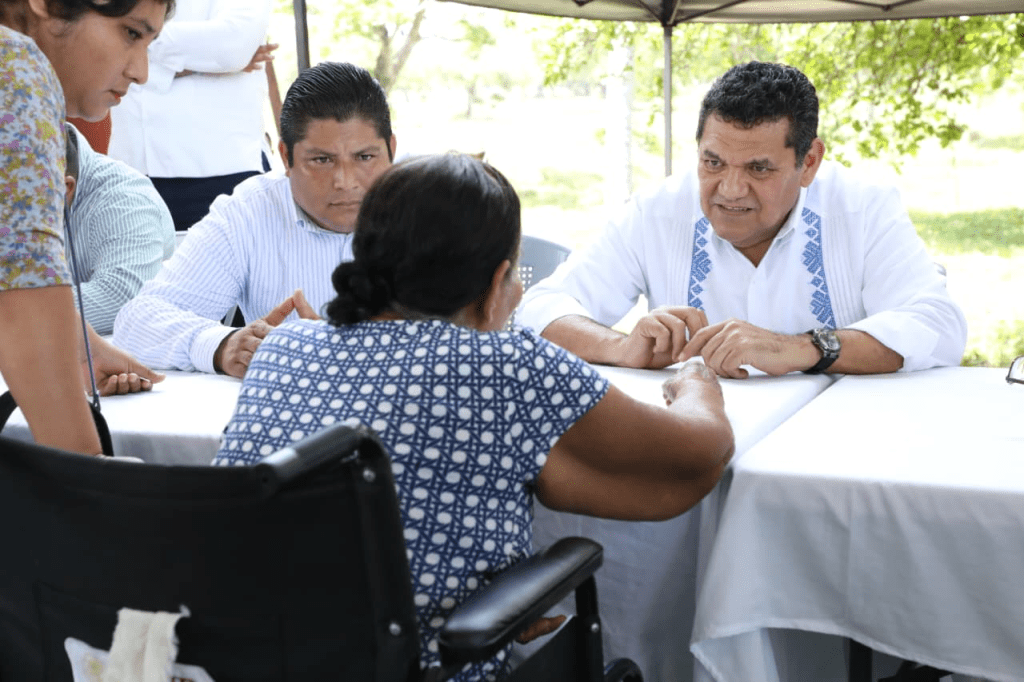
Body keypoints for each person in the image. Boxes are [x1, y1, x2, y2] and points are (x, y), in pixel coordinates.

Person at [211, 153, 735, 680]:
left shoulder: (283, 346)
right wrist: (697, 382)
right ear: (498, 283)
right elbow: (698, 453)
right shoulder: (507, 364)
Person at [518, 61, 968, 378]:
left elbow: (938, 327)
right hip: (690, 455)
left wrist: (800, 348)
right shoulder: (655, 210)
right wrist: (620, 346)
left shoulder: (863, 208)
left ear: (809, 161)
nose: (730, 190)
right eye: (712, 163)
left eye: (758, 168)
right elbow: (538, 309)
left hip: (839, 457)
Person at [112, 61, 397, 377]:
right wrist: (223, 346)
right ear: (286, 157)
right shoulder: (250, 212)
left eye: (365, 157)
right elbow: (138, 321)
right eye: (322, 160)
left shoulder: (433, 205)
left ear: (392, 149)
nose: (345, 180)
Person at [0, 0, 169, 455]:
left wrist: (75, 335)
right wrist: (93, 489)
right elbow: (22, 310)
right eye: (131, 33)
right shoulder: (14, 66)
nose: (142, 71)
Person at [108, 0, 274, 231]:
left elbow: (234, 44)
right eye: (134, 33)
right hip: (130, 169)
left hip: (224, 168)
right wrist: (203, 63)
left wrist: (131, 37)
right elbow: (95, 39)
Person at [65, 123, 176, 335]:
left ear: (64, 188)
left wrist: (14, 309)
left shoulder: (124, 200)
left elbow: (121, 297)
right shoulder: (24, 185)